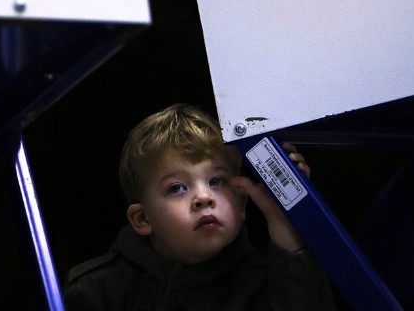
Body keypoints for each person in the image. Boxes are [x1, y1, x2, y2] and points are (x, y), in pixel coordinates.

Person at [63, 104, 336, 310]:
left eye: (216, 181)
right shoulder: (97, 290)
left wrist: (284, 223)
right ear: (143, 218)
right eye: (177, 188)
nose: (203, 198)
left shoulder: (263, 282)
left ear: (241, 203)